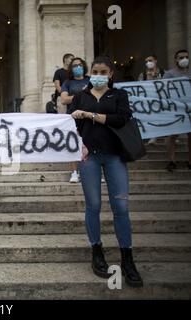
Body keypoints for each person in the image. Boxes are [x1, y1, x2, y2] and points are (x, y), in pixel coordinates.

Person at [70, 56, 143, 288]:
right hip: (89, 157)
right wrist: (78, 141)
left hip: (114, 156)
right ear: (90, 73)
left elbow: (121, 119)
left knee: (120, 206)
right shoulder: (81, 96)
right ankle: (97, 251)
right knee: (93, 206)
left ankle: (127, 258)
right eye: (95, 70)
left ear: (111, 74)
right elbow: (72, 126)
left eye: (103, 71)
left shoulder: (119, 95)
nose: (98, 74)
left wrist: (91, 116)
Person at [60, 57, 90, 183]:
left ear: (84, 66)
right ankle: (74, 172)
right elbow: (63, 99)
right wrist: (82, 96)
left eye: (80, 65)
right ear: (71, 69)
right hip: (73, 117)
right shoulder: (68, 83)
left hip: (89, 116)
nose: (78, 67)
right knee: (74, 145)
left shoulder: (90, 80)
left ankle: (92, 172)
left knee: (90, 144)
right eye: (75, 65)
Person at [163, 49, 191, 172]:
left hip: (189, 109)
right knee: (172, 135)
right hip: (174, 109)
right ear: (176, 59)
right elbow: (162, 90)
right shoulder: (169, 74)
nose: (184, 59)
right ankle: (171, 160)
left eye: (186, 57)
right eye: (181, 57)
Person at [138, 55, 164, 145]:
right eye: (146, 61)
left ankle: (170, 135)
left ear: (155, 61)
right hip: (149, 101)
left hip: (162, 100)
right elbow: (139, 87)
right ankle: (153, 137)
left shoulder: (163, 73)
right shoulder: (143, 75)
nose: (148, 63)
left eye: (150, 60)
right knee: (152, 118)